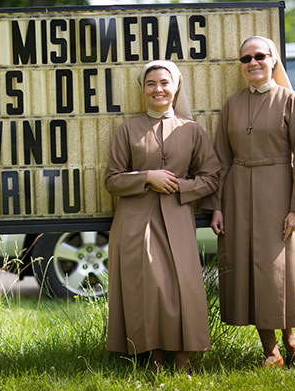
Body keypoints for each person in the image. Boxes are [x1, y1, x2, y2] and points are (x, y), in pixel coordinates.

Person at [200, 36, 295, 367]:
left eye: (259, 56)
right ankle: (271, 351)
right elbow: (220, 157)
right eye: (246, 58)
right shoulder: (232, 104)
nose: (253, 63)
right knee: (248, 269)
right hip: (237, 194)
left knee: (278, 269)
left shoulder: (291, 100)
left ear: (273, 60)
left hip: (278, 190)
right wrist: (216, 204)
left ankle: (290, 338)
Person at [104, 60, 219, 371]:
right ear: (143, 90)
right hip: (135, 221)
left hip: (177, 216)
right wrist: (146, 177)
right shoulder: (128, 129)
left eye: (164, 83)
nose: (158, 89)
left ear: (176, 86)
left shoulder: (192, 130)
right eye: (151, 83)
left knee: (184, 287)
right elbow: (112, 180)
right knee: (148, 287)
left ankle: (183, 361)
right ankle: (153, 358)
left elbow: (211, 177)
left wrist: (180, 185)